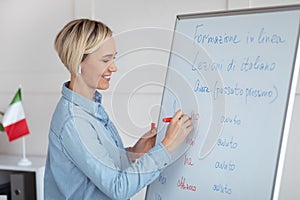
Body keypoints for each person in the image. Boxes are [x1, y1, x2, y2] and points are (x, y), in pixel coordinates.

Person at [44, 18, 193, 200]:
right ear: (78, 62)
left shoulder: (91, 108)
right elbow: (117, 188)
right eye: (106, 60)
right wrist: (167, 145)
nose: (114, 67)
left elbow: (101, 167)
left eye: (113, 58)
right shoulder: (74, 122)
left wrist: (133, 153)